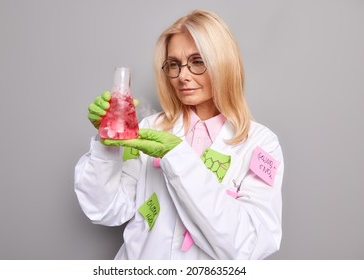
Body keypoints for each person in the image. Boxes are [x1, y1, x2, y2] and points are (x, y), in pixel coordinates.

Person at [74, 9, 284, 260]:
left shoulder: (261, 144)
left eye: (197, 61)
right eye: (173, 64)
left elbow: (247, 245)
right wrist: (106, 144)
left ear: (224, 63)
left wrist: (178, 156)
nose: (182, 76)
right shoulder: (150, 128)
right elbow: (105, 210)